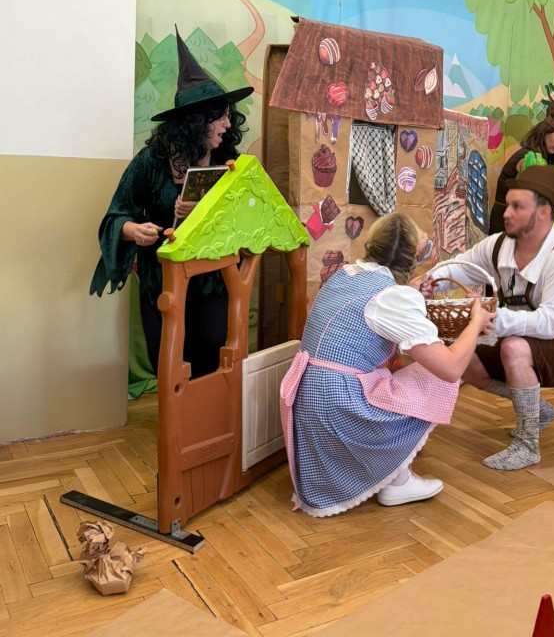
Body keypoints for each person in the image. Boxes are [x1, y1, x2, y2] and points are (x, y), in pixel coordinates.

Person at [279, 212, 495, 518]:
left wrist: (410, 291)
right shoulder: (390, 297)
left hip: (311, 396)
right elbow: (450, 369)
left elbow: (369, 316)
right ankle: (397, 479)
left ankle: (391, 474)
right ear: (413, 255)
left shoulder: (345, 275)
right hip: (338, 404)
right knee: (435, 377)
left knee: (399, 368)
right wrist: (475, 322)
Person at [90, 27, 253, 378]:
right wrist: (135, 231)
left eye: (228, 115)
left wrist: (205, 212)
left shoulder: (230, 162)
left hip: (212, 278)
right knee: (165, 356)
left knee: (210, 353)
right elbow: (116, 216)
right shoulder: (151, 162)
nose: (228, 124)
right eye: (220, 116)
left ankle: (206, 416)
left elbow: (247, 218)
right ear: (197, 122)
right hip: (162, 279)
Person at [425, 164, 554, 471]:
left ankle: (527, 444)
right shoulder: (497, 245)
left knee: (513, 348)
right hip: (521, 332)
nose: (506, 213)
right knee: (460, 356)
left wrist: (491, 319)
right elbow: (460, 267)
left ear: (544, 213)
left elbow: (549, 324)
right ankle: (539, 410)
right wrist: (430, 281)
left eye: (517, 207)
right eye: (508, 205)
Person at [489, 87, 554, 235]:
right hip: (508, 227)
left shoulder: (550, 160)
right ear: (545, 131)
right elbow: (539, 201)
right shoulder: (527, 158)